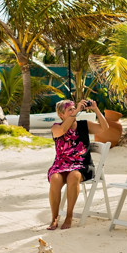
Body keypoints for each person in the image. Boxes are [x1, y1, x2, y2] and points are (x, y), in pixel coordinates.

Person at [47, 98, 108, 229]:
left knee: (73, 176)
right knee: (55, 178)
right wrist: (78, 110)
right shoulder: (56, 127)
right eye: (70, 110)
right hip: (61, 165)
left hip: (82, 165)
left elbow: (104, 128)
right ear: (61, 115)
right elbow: (63, 129)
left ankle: (69, 216)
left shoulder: (84, 125)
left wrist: (96, 109)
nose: (74, 111)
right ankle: (54, 218)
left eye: (74, 108)